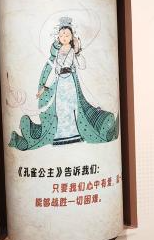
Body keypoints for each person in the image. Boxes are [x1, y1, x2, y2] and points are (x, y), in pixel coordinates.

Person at [8, 16, 118, 150]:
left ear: (72, 36)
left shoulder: (73, 50)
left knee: (72, 106)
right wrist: (44, 87)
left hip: (70, 81)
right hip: (59, 82)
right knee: (60, 108)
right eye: (61, 35)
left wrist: (78, 52)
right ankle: (61, 134)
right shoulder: (56, 52)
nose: (64, 37)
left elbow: (82, 65)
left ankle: (74, 133)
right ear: (58, 37)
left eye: (67, 35)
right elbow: (52, 70)